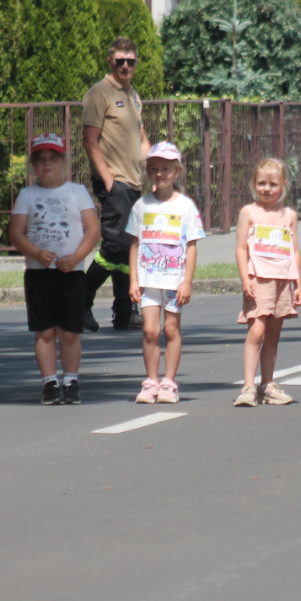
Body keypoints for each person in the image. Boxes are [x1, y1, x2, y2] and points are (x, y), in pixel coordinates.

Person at [8, 134, 99, 406]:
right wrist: (36, 253)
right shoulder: (27, 195)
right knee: (45, 331)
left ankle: (71, 380)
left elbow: (93, 229)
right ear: (33, 166)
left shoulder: (77, 192)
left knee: (69, 331)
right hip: (39, 273)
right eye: (41, 160)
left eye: (53, 159)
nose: (47, 164)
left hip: (71, 273)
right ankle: (50, 383)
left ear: (64, 163)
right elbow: (16, 232)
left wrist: (76, 257)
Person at [82, 36, 152, 333]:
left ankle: (124, 312)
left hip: (135, 181)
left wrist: (155, 167)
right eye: (120, 60)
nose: (125, 66)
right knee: (117, 243)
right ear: (110, 61)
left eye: (130, 61)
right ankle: (79, 299)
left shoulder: (133, 94)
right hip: (115, 181)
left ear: (136, 63)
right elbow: (90, 140)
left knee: (130, 244)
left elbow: (141, 136)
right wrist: (108, 181)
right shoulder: (99, 93)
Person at [128, 142, 204, 405]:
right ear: (148, 172)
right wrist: (134, 280)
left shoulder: (186, 207)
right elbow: (135, 244)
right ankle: (151, 382)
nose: (159, 174)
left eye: (165, 168)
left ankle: (169, 383)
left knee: (171, 329)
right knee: (150, 330)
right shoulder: (141, 206)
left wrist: (187, 282)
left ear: (177, 171)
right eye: (154, 169)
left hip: (174, 282)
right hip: (148, 281)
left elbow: (191, 246)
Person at [234, 158, 301, 407]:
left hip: (282, 281)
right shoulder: (249, 213)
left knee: (273, 336)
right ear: (254, 184)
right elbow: (241, 249)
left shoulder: (289, 215)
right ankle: (248, 387)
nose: (267, 188)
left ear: (283, 185)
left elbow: (294, 251)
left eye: (273, 184)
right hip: (257, 279)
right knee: (257, 331)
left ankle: (267, 385)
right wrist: (244, 279)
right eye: (261, 183)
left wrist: (298, 285)